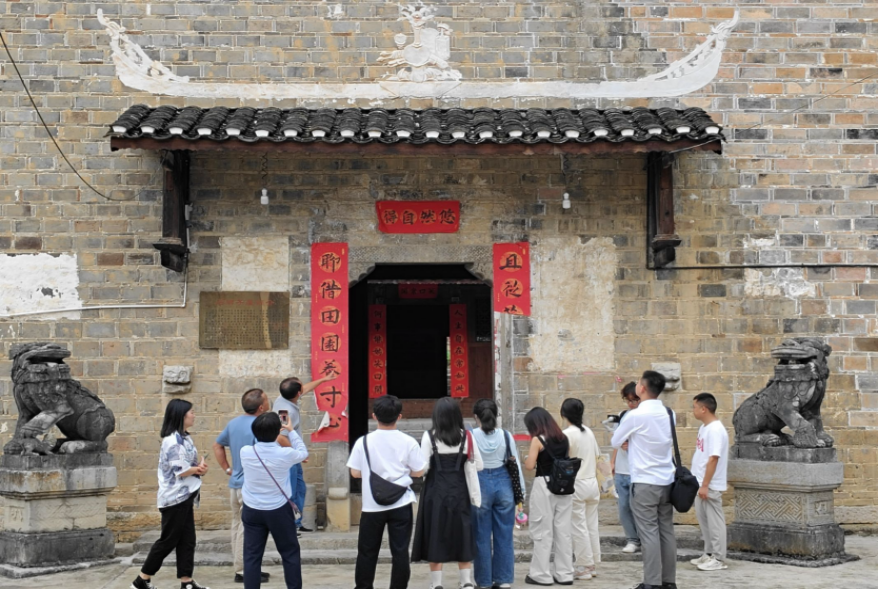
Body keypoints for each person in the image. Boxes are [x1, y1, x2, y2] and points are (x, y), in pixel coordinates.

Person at [347, 395, 427, 589]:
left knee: (367, 552)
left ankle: (364, 587)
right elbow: (419, 471)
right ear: (399, 416)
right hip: (401, 502)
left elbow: (355, 473)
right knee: (400, 552)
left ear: (374, 416)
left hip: (372, 505)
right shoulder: (408, 442)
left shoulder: (363, 442)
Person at [131, 399, 210, 589]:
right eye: (191, 412)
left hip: (184, 497)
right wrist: (197, 469)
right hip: (174, 499)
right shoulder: (173, 441)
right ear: (181, 415)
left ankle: (186, 582)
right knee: (168, 541)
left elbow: (187, 466)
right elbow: (180, 470)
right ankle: (141, 580)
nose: (194, 415)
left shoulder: (185, 438)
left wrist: (198, 468)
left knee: (187, 541)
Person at [611, 371, 676, 589]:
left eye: (639, 382)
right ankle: (668, 581)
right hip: (666, 479)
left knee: (648, 533)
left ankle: (652, 582)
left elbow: (616, 440)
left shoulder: (635, 416)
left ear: (643, 388)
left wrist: (631, 439)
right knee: (666, 531)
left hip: (645, 481)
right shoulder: (669, 413)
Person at [214, 388, 286, 584]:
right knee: (247, 530)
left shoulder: (233, 423)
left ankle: (241, 567)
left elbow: (217, 445)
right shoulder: (259, 426)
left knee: (237, 525)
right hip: (250, 487)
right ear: (261, 407)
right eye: (267, 399)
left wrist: (228, 469)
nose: (270, 402)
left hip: (235, 484)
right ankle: (245, 571)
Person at [412, 397, 483, 589]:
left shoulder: (429, 436)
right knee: (463, 533)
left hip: (435, 493)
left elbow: (423, 468)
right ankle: (466, 581)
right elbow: (479, 465)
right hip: (460, 491)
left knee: (436, 534)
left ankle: (436, 584)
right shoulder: (467, 437)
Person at [240, 412, 309, 589]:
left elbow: (257, 442)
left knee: (252, 555)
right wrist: (291, 431)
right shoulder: (285, 454)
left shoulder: (245, 452)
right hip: (278, 509)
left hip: (252, 508)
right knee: (290, 552)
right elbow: (303, 453)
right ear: (278, 431)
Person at [471, 399, 525, 589]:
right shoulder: (506, 435)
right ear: (496, 414)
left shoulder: (470, 436)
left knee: (481, 535)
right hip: (504, 485)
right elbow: (515, 465)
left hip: (480, 484)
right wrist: (521, 494)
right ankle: (503, 579)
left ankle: (484, 581)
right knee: (504, 535)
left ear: (476, 416)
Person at [274, 374, 336, 532]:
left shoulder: (285, 398)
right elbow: (280, 437)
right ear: (298, 393)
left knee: (300, 489)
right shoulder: (285, 411)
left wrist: (323, 380)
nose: (304, 387)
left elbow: (305, 388)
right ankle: (289, 526)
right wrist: (297, 453)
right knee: (291, 491)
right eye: (301, 386)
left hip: (293, 457)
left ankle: (296, 522)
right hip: (288, 457)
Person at [523, 407, 574, 587]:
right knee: (563, 531)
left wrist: (526, 458)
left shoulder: (538, 439)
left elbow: (530, 465)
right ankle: (565, 574)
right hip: (564, 486)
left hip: (544, 485)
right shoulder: (564, 438)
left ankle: (541, 574)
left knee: (543, 531)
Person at [560, 398, 602, 580]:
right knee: (591, 525)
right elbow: (597, 455)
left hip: (576, 483)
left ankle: (584, 566)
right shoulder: (588, 432)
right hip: (592, 482)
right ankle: (592, 564)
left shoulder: (567, 434)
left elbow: (562, 460)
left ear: (563, 414)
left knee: (578, 526)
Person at [689, 393, 729, 572]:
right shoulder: (704, 428)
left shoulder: (715, 430)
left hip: (709, 484)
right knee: (704, 521)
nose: (693, 410)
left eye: (694, 407)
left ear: (704, 409)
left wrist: (705, 484)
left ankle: (719, 558)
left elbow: (713, 458)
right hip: (699, 482)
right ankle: (709, 553)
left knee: (715, 521)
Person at [610, 382, 642, 554]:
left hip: (638, 470)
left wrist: (633, 445)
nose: (631, 404)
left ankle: (644, 539)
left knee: (639, 507)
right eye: (628, 400)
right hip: (622, 469)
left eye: (634, 400)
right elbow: (616, 440)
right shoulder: (623, 415)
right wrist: (613, 461)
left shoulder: (645, 417)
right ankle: (632, 539)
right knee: (623, 507)